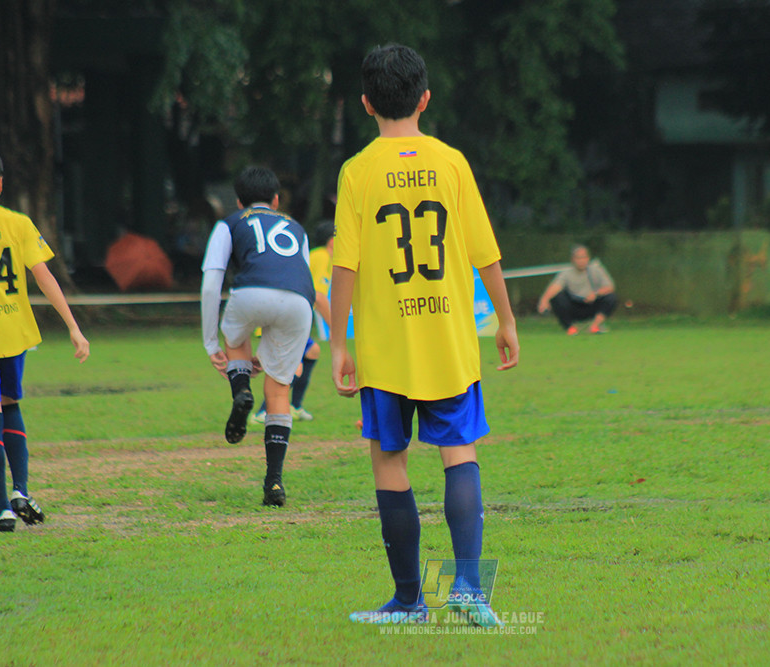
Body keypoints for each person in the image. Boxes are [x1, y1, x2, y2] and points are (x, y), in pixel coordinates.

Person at [330, 44, 519, 626]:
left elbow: (346, 267)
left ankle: (410, 601)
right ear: (426, 99)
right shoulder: (451, 163)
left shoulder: (358, 171)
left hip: (387, 350)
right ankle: (467, 590)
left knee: (390, 461)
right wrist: (507, 321)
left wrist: (339, 342)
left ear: (366, 104)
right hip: (448, 343)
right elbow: (485, 252)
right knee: (459, 453)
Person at [0, 144, 90, 533]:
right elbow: (44, 276)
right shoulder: (18, 223)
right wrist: (72, 326)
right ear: (1, 184)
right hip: (14, 334)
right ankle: (21, 490)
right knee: (10, 406)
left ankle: (2, 510)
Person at [200, 166, 315, 507]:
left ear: (238, 201)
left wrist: (210, 342)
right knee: (279, 390)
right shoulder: (297, 227)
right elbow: (299, 279)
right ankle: (274, 483)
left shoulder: (231, 222)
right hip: (299, 302)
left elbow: (211, 282)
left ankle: (240, 391)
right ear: (276, 200)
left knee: (236, 339)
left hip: (250, 293)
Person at [251, 219, 335, 425]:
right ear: (332, 241)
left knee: (312, 351)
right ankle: (263, 412)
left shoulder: (316, 255)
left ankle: (294, 407)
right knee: (292, 366)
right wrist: (336, 328)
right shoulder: (323, 257)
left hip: (285, 313)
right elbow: (319, 296)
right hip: (284, 314)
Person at [537, 244, 618, 334]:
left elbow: (610, 287)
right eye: (578, 258)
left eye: (583, 257)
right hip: (574, 305)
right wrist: (544, 300)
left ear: (588, 258)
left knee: (611, 297)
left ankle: (594, 326)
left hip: (591, 304)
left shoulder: (596, 270)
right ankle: (570, 328)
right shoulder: (566, 273)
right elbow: (556, 286)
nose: (581, 261)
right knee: (558, 297)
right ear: (573, 260)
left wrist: (596, 294)